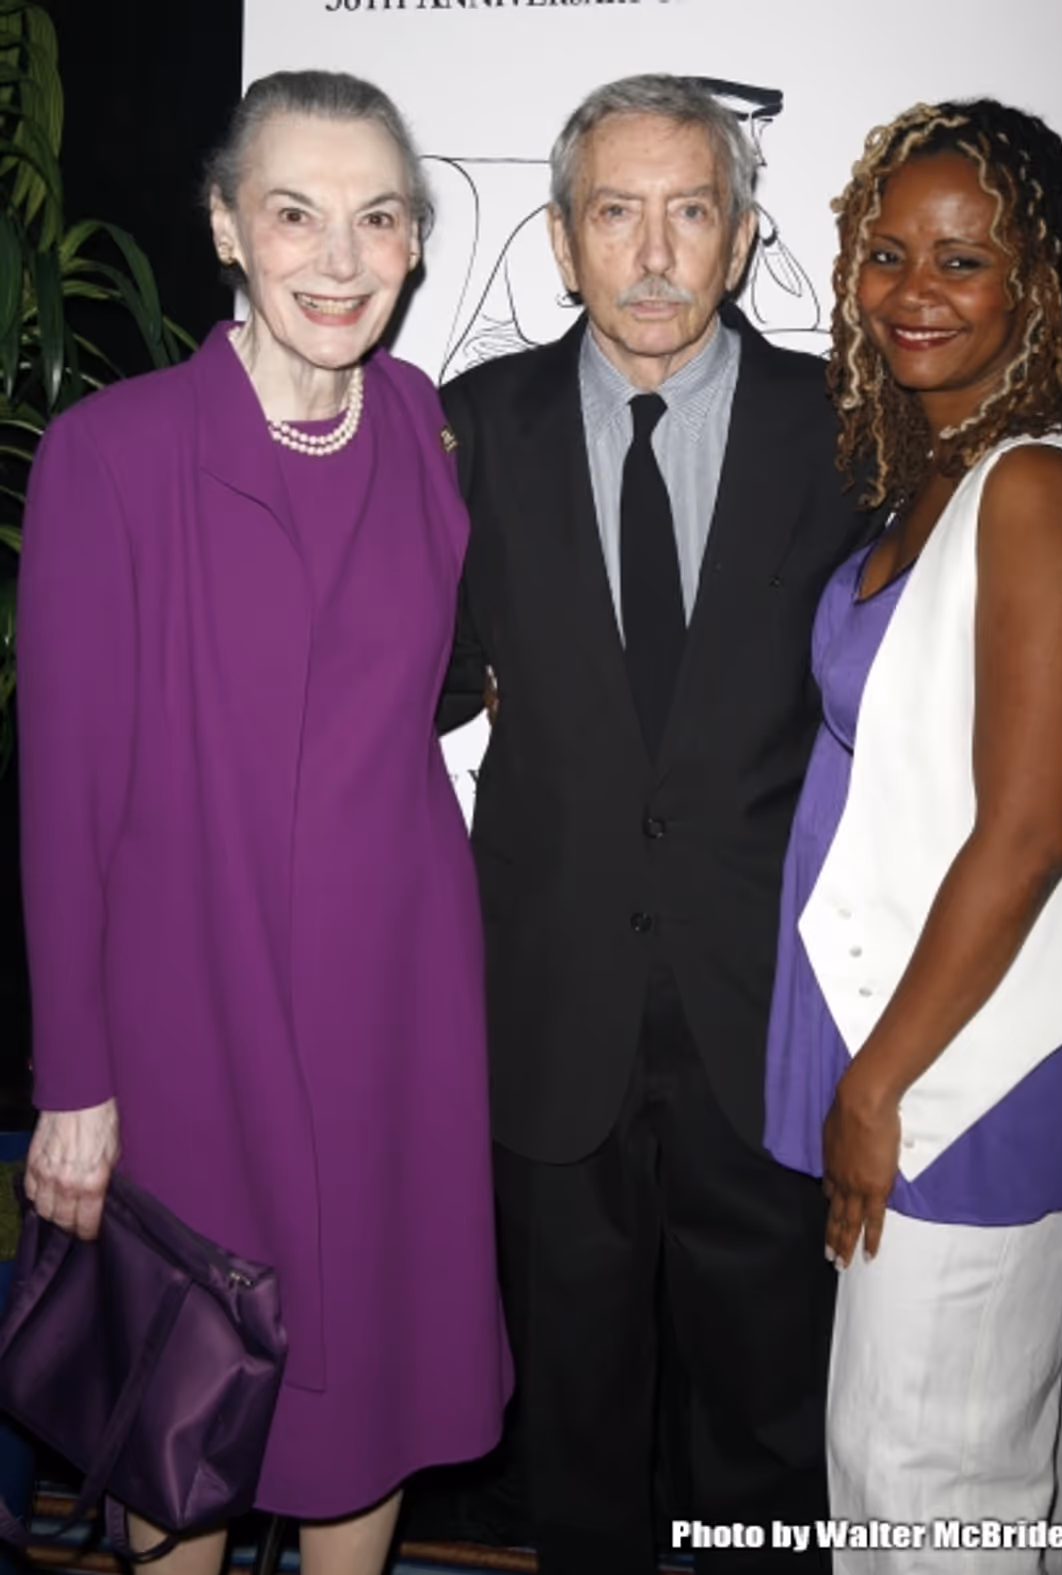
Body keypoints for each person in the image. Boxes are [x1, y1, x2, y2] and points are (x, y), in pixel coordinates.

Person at [437, 76, 1062, 1574]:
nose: (652, 254)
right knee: (575, 1427)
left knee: (790, 1438)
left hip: (787, 1027)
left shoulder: (856, 434)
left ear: (745, 233)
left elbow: (997, 640)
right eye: (614, 213)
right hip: (551, 1009)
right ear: (563, 242)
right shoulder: (466, 433)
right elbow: (395, 683)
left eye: (690, 211)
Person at [18, 69, 511, 1575]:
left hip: (395, 1016)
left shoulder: (426, 431)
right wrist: (77, 1082)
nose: (341, 260)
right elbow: (64, 789)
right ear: (229, 227)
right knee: (195, 1404)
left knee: (374, 1380)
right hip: (193, 1017)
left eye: (378, 219)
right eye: (296, 215)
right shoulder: (117, 454)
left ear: (419, 245)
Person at [763, 99, 1062, 1572]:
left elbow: (1023, 838)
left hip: (968, 1065)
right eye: (888, 254)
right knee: (1028, 1453)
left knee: (919, 1482)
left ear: (1039, 283)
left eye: (963, 259)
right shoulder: (970, 462)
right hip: (956, 1032)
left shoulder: (1038, 488)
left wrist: (876, 1086)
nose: (914, 291)